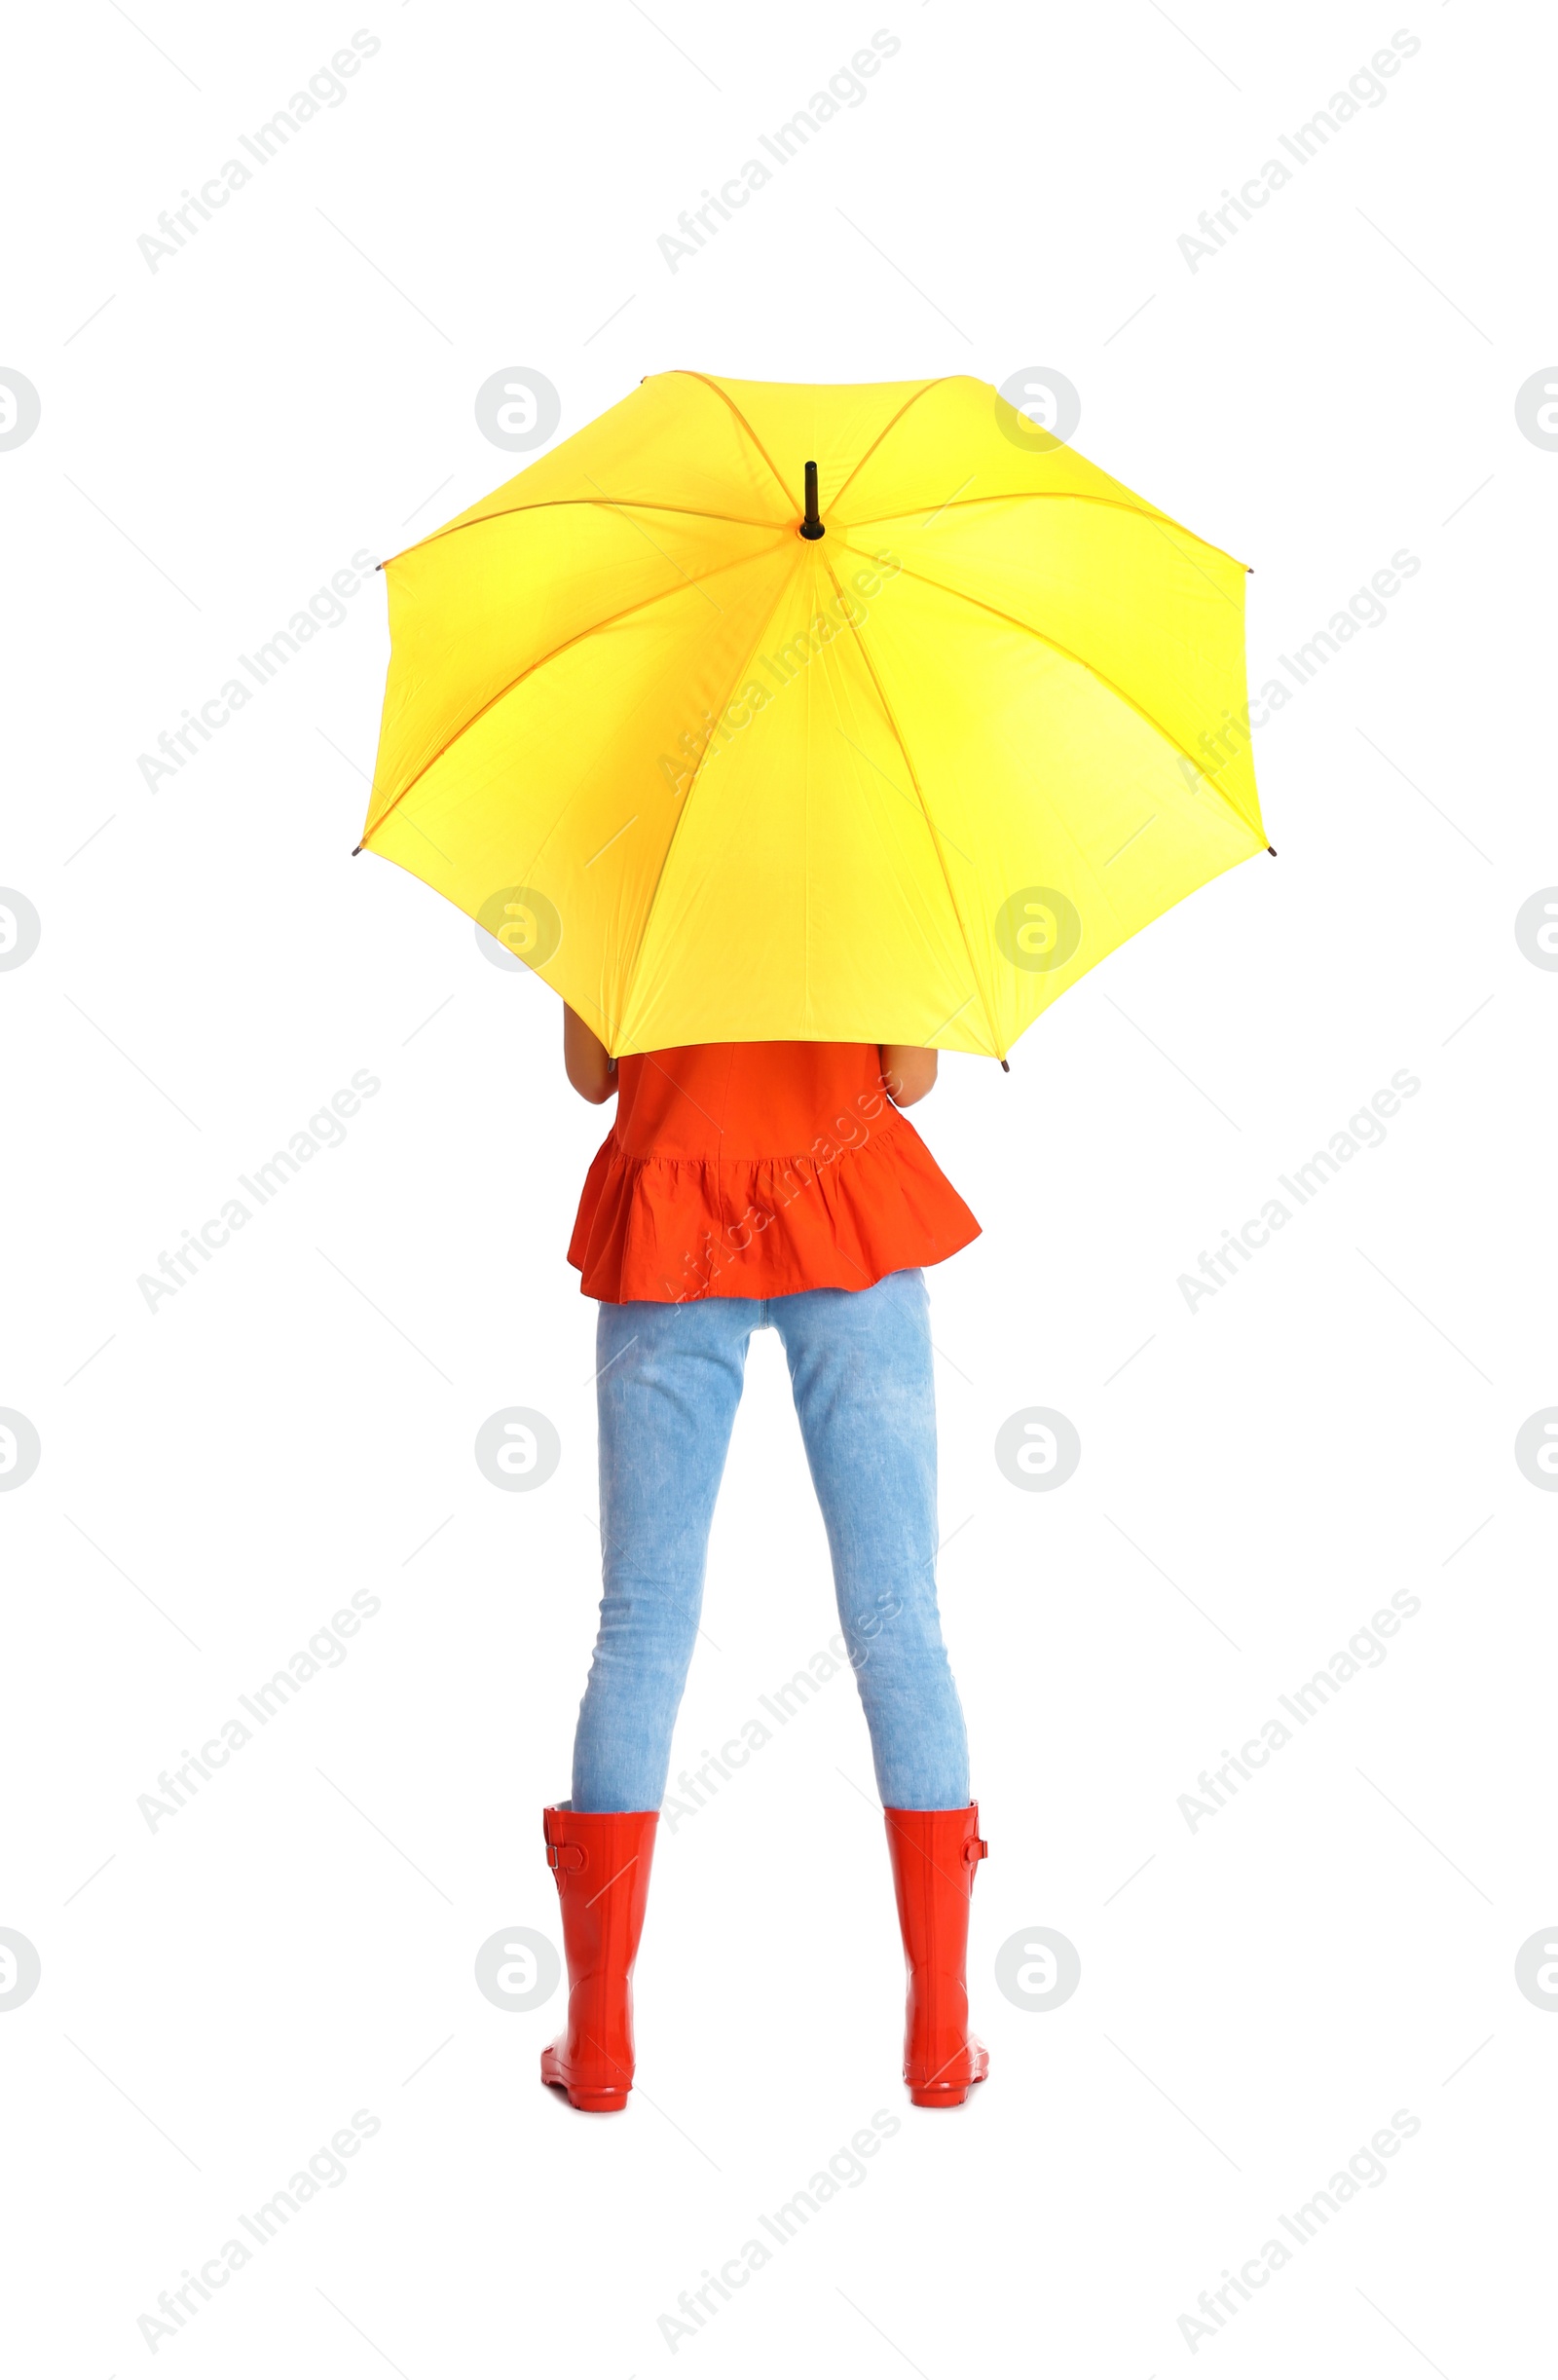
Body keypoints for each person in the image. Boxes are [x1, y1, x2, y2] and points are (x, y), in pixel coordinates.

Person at [540, 1012, 989, 2112]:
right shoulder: (868, 851)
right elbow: (911, 1077)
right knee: (898, 1617)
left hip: (667, 1221)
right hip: (849, 1215)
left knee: (641, 1620)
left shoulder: (626, 850)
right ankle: (938, 2029)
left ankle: (598, 2040)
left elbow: (590, 1078)